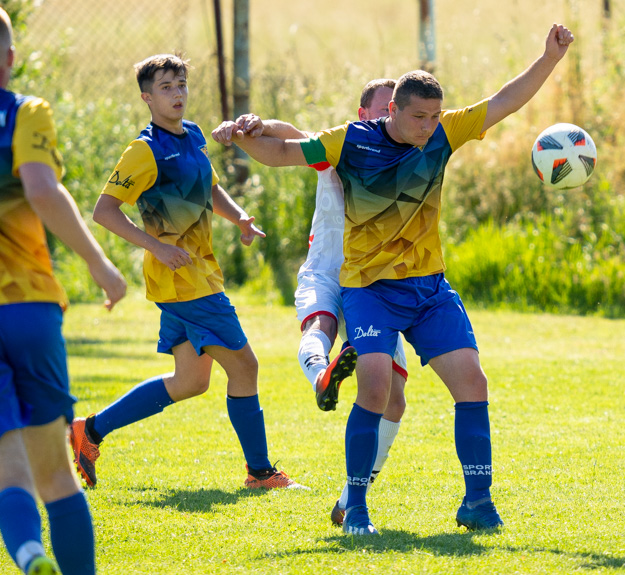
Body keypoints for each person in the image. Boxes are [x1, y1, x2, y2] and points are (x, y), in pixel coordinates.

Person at [214, 23, 574, 535]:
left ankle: (477, 502)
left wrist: (549, 60)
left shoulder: (446, 132)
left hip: (428, 289)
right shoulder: (349, 142)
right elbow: (283, 152)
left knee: (473, 383)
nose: (429, 126)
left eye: (434, 116)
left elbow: (504, 100)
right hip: (369, 290)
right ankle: (356, 506)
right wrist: (244, 138)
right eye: (418, 117)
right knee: (377, 386)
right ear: (393, 111)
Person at [68, 54, 305, 492]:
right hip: (184, 281)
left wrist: (239, 219)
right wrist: (156, 245)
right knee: (246, 368)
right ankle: (260, 472)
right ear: (146, 97)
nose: (177, 94)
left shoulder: (193, 135)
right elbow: (104, 212)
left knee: (190, 382)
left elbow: (210, 188)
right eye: (166, 87)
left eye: (181, 85)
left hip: (193, 275)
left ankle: (91, 430)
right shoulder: (143, 150)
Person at [213, 79, 410, 527]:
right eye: (385, 110)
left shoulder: (412, 157)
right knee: (317, 331)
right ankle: (323, 377)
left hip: (376, 286)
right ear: (364, 114)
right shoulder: (342, 146)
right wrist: (255, 126)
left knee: (394, 401)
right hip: (326, 273)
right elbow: (291, 136)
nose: (392, 119)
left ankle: (347, 498)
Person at [0, 8, 127, 575]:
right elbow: (42, 191)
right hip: (28, 306)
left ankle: (27, 553)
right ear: (10, 57)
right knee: (54, 469)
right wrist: (100, 264)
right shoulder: (26, 113)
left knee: (7, 465)